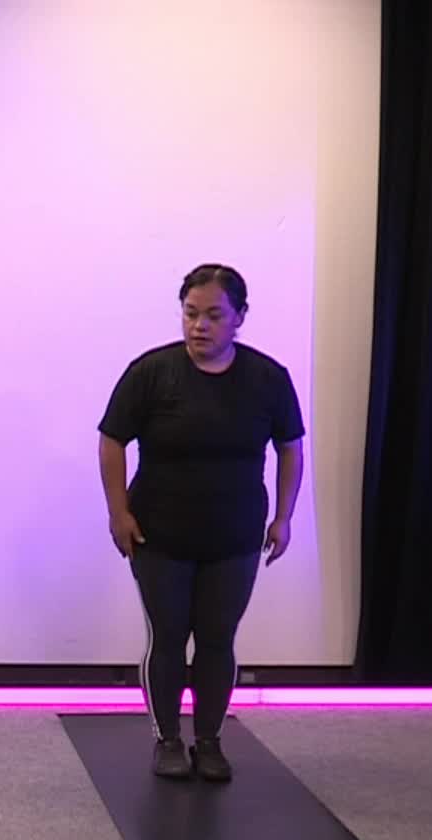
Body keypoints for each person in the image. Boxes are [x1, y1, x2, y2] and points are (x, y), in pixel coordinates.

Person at [96, 263, 305, 781]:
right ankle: (167, 738)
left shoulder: (267, 379)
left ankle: (209, 740)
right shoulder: (151, 373)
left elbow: (290, 448)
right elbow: (112, 439)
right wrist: (119, 512)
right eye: (190, 314)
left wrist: (283, 517)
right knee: (168, 636)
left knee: (217, 638)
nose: (199, 326)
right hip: (158, 534)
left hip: (235, 536)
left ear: (240, 317)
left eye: (213, 315)